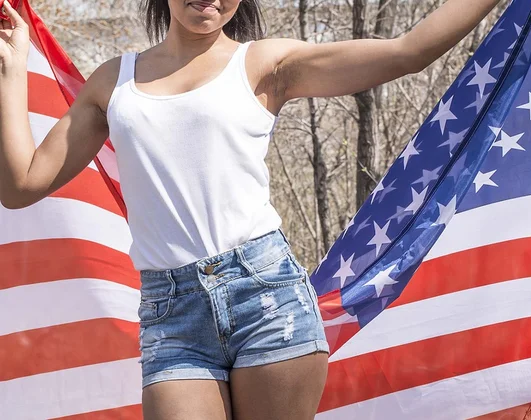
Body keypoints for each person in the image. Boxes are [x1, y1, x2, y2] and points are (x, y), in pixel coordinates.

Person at [0, 0, 501, 418]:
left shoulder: (265, 64)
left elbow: (406, 52)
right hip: (170, 311)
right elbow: (22, 184)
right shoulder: (115, 83)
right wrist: (12, 69)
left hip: (265, 296)